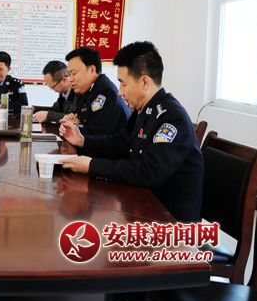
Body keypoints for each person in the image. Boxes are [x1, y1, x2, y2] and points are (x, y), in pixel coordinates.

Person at [59, 41, 204, 223]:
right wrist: (82, 141)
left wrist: (92, 165)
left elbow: (149, 172)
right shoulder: (143, 110)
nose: (119, 92)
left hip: (169, 222)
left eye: (123, 84)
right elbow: (119, 143)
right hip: (144, 207)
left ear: (144, 82)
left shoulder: (171, 117)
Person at [61, 46, 129, 136]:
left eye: (74, 73)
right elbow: (84, 120)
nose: (70, 79)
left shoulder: (105, 92)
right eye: (69, 74)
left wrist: (73, 128)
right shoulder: (89, 89)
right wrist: (74, 121)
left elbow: (98, 135)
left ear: (92, 70)